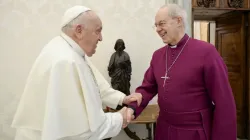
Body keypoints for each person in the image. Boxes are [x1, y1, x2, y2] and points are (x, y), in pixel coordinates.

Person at [11, 5, 141, 140]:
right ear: (79, 30)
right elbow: (79, 133)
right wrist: (119, 118)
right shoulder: (65, 61)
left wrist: (122, 98)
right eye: (98, 31)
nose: (101, 38)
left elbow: (94, 84)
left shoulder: (70, 51)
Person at [127, 4, 237, 140]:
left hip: (194, 132)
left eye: (161, 24)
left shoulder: (206, 52)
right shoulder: (158, 55)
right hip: (164, 130)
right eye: (155, 25)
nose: (158, 29)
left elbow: (224, 102)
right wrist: (132, 108)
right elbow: (147, 88)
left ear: (178, 21)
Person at [108, 39, 132, 110]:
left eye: (121, 44)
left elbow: (129, 66)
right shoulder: (113, 55)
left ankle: (125, 104)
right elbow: (111, 66)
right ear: (116, 46)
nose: (120, 46)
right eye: (118, 44)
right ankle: (117, 104)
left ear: (123, 45)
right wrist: (110, 68)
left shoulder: (126, 55)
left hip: (124, 76)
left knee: (125, 90)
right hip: (116, 76)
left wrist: (125, 66)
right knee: (116, 89)